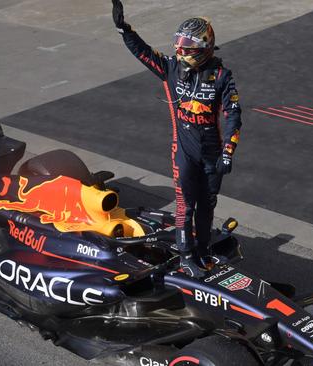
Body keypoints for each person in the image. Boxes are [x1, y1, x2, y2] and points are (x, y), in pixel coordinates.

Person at [111, 0, 242, 277]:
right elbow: (144, 53)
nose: (181, 54)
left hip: (212, 153)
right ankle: (185, 257)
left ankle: (204, 250)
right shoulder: (170, 68)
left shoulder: (222, 76)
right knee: (186, 204)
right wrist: (125, 30)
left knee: (208, 205)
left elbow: (233, 115)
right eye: (178, 48)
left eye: (187, 49)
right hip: (183, 151)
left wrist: (228, 151)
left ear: (205, 48)